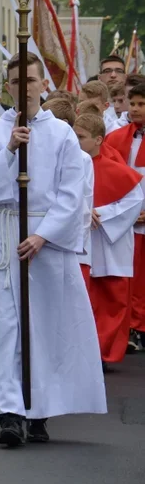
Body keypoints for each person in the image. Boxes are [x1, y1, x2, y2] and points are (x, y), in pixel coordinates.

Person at [0, 51, 105, 447]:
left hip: (45, 239)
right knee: (7, 325)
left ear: (42, 84)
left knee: (43, 326)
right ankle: (10, 412)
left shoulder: (62, 134)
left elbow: (71, 194)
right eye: (16, 82)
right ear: (7, 87)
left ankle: (40, 408)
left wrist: (44, 235)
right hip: (6, 230)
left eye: (31, 81)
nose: (24, 89)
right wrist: (10, 149)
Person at [75, 113, 144, 366]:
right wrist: (82, 212)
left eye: (80, 137)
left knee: (111, 300)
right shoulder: (68, 165)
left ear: (98, 140)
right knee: (85, 297)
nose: (75, 141)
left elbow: (134, 201)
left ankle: (103, 353)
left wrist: (100, 214)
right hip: (81, 241)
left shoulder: (116, 169)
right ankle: (84, 351)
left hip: (107, 241)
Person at [99, 82, 145, 353]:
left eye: (142, 104)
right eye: (133, 103)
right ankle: (133, 328)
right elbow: (109, 179)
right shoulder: (116, 139)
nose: (135, 108)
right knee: (132, 278)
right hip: (129, 219)